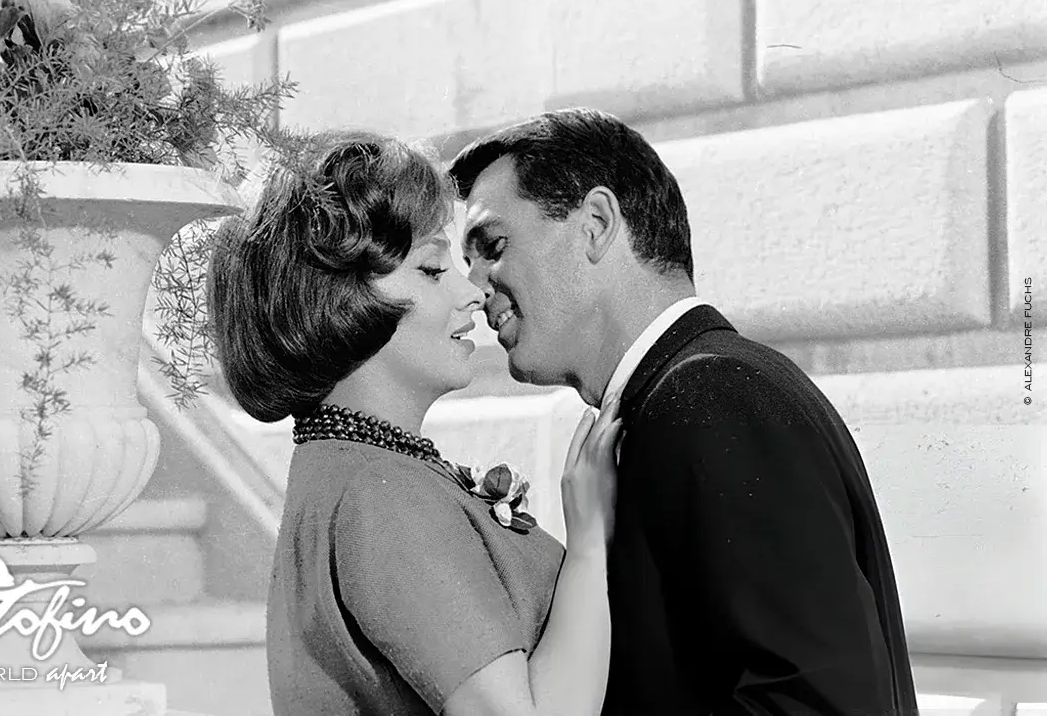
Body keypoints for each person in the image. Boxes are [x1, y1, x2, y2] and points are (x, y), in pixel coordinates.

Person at [449, 108, 920, 716]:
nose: (474, 286)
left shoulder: (710, 396)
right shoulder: (689, 393)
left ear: (596, 224)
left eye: (492, 247)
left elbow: (817, 700)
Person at [206, 130, 622, 716]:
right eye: (431, 269)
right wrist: (588, 543)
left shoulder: (355, 472)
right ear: (340, 299)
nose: (472, 293)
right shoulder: (379, 494)